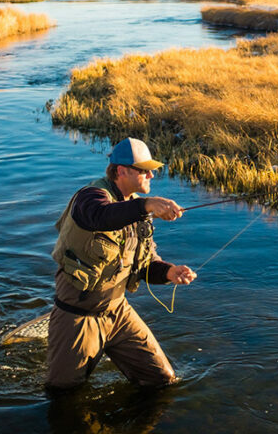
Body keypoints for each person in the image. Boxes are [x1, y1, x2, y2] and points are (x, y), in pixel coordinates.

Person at [45, 137, 197, 396]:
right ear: (121, 171)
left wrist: (170, 272)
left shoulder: (137, 209)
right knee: (63, 395)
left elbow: (145, 264)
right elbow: (100, 215)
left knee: (162, 380)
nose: (151, 174)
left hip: (119, 313)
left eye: (151, 169)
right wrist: (146, 205)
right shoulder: (90, 197)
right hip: (78, 316)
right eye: (144, 169)